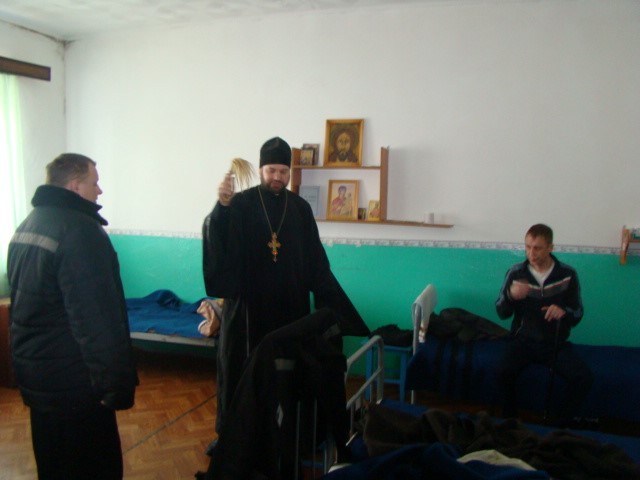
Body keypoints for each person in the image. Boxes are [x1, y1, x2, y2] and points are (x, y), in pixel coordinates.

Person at [201, 137, 368, 450]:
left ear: (289, 172)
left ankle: (288, 436)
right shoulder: (240, 204)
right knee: (240, 373)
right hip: (248, 312)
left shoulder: (300, 209)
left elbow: (316, 262)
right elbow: (219, 243)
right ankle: (231, 440)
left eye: (283, 171)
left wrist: (336, 309)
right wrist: (221, 207)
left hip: (289, 312)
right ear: (261, 170)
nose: (277, 177)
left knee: (288, 376)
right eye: (271, 170)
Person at [7, 153, 138, 479]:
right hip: (76, 384)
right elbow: (96, 321)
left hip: (38, 376)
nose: (100, 190)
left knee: (53, 464)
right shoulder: (80, 232)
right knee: (93, 467)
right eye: (95, 182)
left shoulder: (28, 224)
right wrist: (115, 385)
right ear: (76, 186)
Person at [495, 223, 593, 426]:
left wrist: (563, 312)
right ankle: (510, 422)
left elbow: (578, 312)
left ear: (550, 247)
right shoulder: (516, 273)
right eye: (528, 247)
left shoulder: (567, 274)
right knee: (502, 371)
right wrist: (511, 296)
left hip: (554, 343)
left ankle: (562, 424)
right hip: (523, 341)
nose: (531, 253)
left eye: (537, 248)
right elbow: (501, 312)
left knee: (583, 377)